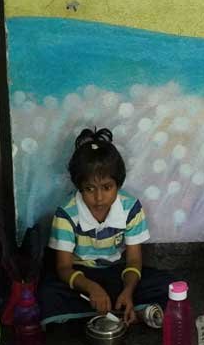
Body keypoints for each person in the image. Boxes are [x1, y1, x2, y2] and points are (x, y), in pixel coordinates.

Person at [38, 128, 172, 326]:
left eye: (107, 187)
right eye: (89, 189)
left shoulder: (130, 208)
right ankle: (126, 310)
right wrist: (91, 288)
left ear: (118, 184)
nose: (99, 198)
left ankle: (112, 306)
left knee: (169, 285)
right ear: (79, 187)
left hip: (116, 272)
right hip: (82, 275)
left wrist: (128, 291)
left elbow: (134, 260)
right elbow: (64, 267)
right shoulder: (66, 213)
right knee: (47, 292)